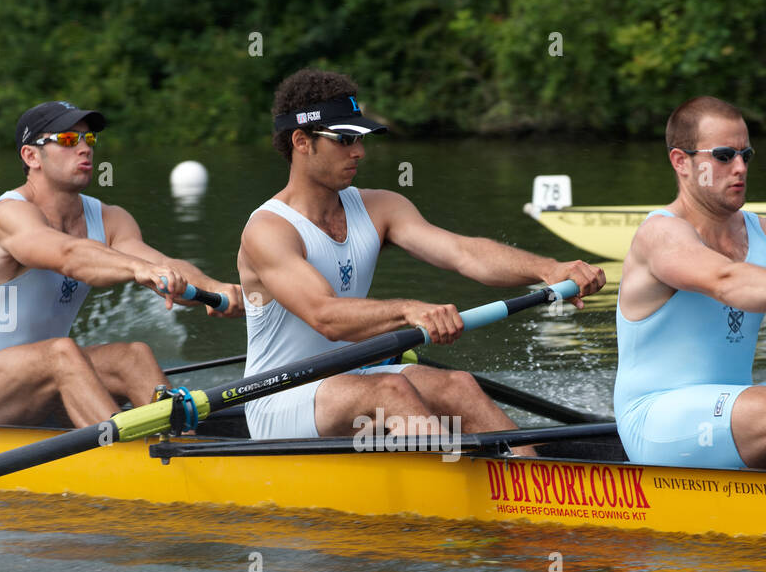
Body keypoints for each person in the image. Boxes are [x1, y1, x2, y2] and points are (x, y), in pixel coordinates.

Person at [238, 68, 605, 445]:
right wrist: (408, 310)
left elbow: (464, 253)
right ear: (301, 141)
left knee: (458, 387)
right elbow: (325, 316)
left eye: (361, 139)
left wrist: (548, 269)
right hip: (279, 400)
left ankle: (533, 488)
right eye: (345, 139)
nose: (359, 152)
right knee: (391, 392)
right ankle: (456, 490)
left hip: (352, 380)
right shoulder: (269, 230)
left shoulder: (381, 207)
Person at [0, 101, 243, 429]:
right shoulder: (7, 216)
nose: (85, 148)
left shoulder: (110, 219)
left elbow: (161, 264)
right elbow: (69, 256)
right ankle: (127, 463)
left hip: (38, 382)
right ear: (31, 156)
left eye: (89, 140)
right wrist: (136, 268)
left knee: (133, 356)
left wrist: (212, 288)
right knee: (61, 354)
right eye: (70, 140)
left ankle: (183, 446)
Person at [614, 95, 766, 473]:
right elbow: (726, 281)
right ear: (680, 162)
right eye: (723, 155)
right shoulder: (660, 235)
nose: (740, 168)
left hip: (730, 407)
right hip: (656, 423)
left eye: (745, 155)